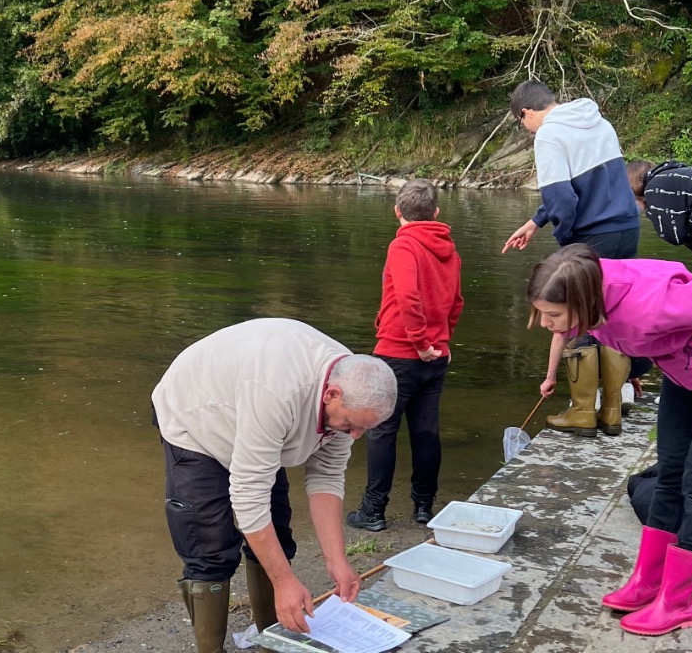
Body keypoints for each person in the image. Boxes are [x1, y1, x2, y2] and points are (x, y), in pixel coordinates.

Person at [526, 244, 692, 636]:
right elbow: (614, 334)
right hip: (688, 370)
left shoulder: (654, 304)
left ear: (582, 300)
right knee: (669, 472)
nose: (545, 323)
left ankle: (678, 602)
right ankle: (648, 582)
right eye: (541, 312)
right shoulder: (587, 291)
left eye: (552, 315)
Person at [152, 318, 398, 650]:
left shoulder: (351, 389)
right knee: (210, 549)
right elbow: (248, 495)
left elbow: (326, 476)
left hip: (254, 418)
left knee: (277, 535)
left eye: (363, 429)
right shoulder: (278, 391)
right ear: (332, 394)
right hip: (196, 418)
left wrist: (335, 558)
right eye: (352, 425)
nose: (354, 435)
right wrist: (284, 582)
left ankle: (273, 636)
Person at [503, 79, 641, 436]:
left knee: (575, 310)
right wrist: (535, 221)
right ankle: (611, 411)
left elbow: (562, 198)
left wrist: (565, 248)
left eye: (523, 125)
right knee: (608, 311)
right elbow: (590, 185)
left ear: (526, 114)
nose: (527, 130)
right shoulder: (596, 121)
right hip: (626, 226)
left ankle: (581, 411)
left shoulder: (548, 135)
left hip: (592, 234)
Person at [346, 179, 462, 532]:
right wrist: (441, 342)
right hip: (435, 356)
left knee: (382, 429)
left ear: (397, 211)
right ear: (436, 212)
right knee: (426, 431)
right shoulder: (450, 250)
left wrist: (421, 341)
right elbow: (456, 301)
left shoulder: (402, 246)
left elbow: (408, 298)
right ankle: (424, 506)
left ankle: (373, 510)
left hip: (400, 351)